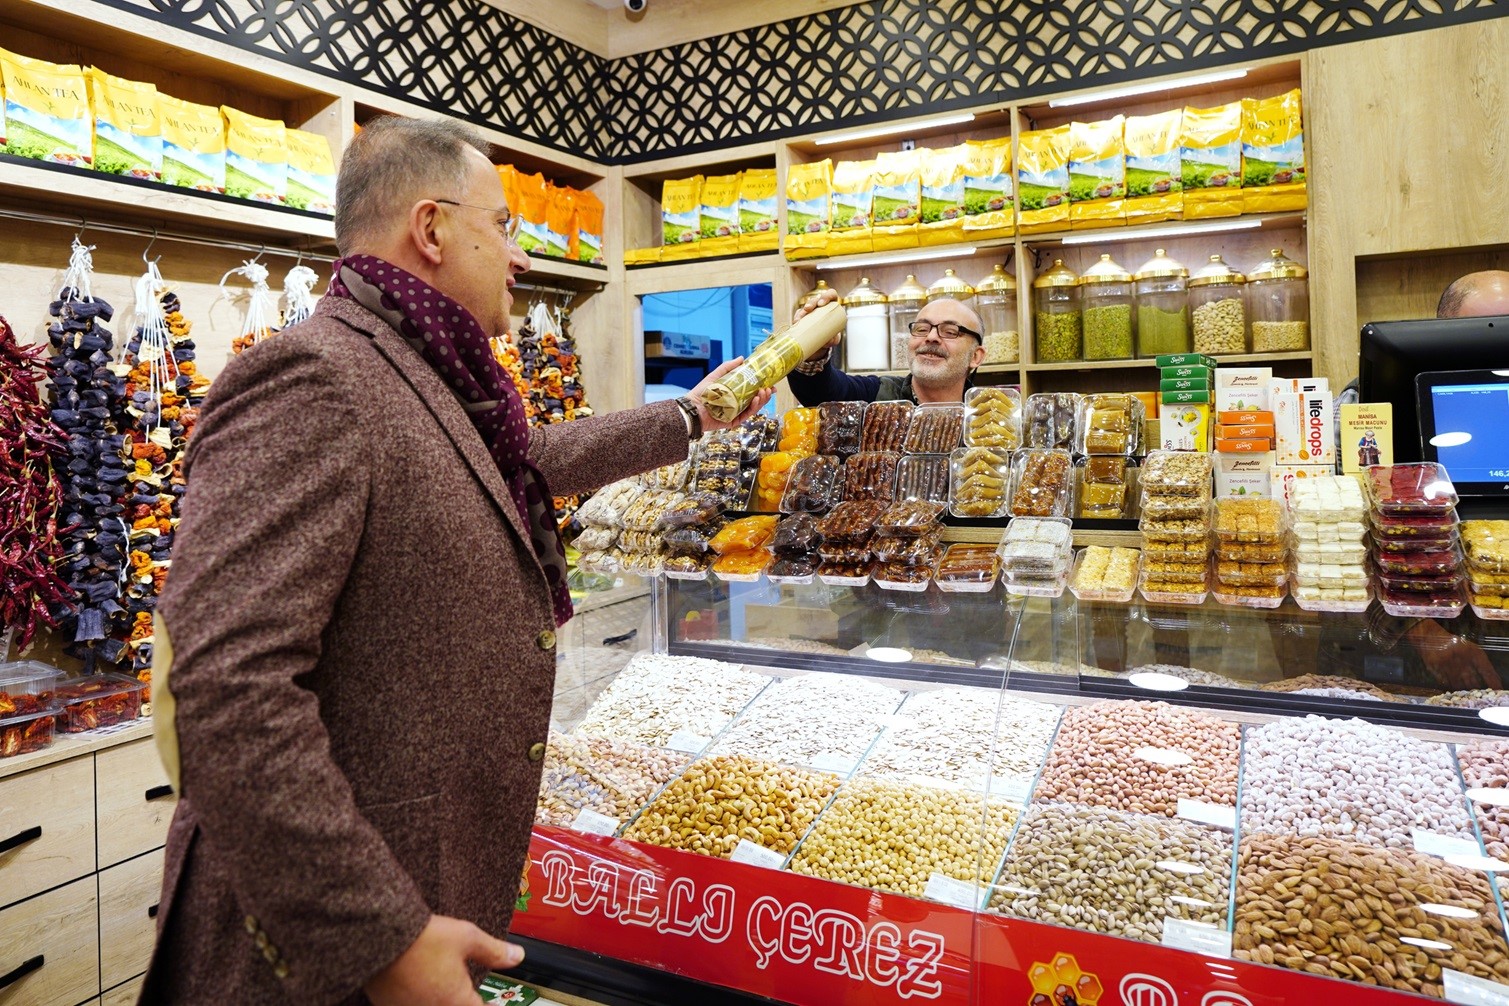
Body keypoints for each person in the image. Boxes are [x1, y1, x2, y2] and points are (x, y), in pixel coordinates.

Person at [139, 116, 769, 1005]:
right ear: (432, 230)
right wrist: (380, 937)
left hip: (423, 880)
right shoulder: (313, 375)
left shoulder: (425, 372)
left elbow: (514, 466)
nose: (518, 256)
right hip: (315, 949)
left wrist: (690, 418)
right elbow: (226, 684)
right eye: (503, 226)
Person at [785, 286, 985, 405]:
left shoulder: (991, 418)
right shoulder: (877, 395)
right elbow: (820, 391)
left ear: (976, 356)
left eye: (950, 332)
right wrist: (814, 345)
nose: (931, 337)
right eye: (921, 329)